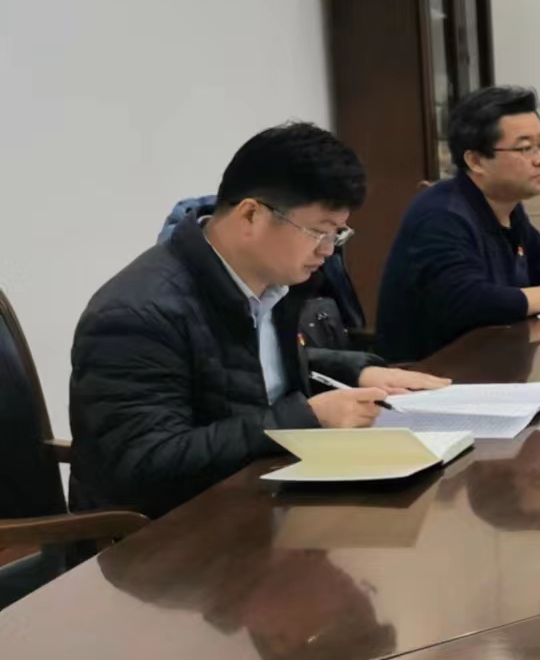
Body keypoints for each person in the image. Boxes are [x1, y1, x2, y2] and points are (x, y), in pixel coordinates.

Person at [69, 123, 448, 518]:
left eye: (337, 234)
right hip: (173, 532)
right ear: (251, 215)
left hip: (263, 496)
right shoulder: (135, 315)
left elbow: (247, 368)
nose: (327, 251)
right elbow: (146, 463)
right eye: (318, 232)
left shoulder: (273, 278)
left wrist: (358, 373)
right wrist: (308, 418)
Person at [374, 86, 540, 362]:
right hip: (432, 372)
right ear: (476, 160)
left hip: (492, 358)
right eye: (525, 148)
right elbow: (467, 301)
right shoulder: (440, 215)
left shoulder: (506, 203)